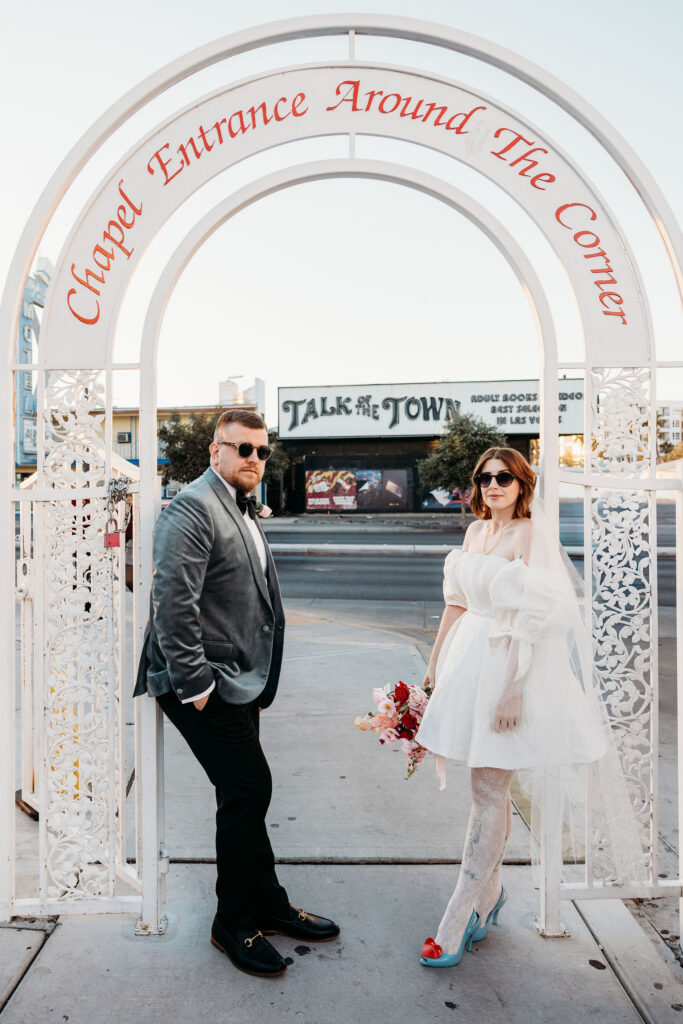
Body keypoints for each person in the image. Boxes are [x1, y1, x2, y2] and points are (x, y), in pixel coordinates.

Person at [414, 446, 641, 967]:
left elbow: (543, 612)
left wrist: (514, 686)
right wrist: (434, 664)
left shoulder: (530, 535)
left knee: (488, 789)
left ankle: (456, 918)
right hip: (467, 662)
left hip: (511, 669)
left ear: (521, 486)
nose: (493, 485)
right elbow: (457, 601)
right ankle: (486, 900)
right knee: (488, 789)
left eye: (505, 478)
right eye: (485, 478)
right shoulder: (475, 534)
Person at [134, 408, 339, 978]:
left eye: (261, 451)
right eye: (242, 448)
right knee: (251, 787)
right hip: (201, 682)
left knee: (242, 793)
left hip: (238, 680)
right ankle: (233, 921)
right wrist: (197, 687)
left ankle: (268, 904)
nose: (253, 459)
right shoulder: (192, 508)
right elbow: (173, 603)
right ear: (214, 451)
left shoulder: (241, 504)